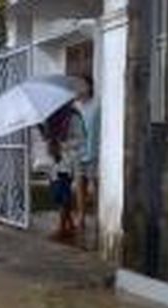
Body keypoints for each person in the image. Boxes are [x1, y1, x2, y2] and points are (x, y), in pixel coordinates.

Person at [41, 102, 86, 239]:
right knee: (57, 193)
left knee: (63, 193)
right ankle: (70, 223)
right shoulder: (50, 118)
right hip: (54, 162)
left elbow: (81, 139)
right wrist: (47, 138)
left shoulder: (73, 117)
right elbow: (48, 137)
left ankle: (62, 228)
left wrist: (61, 144)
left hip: (67, 161)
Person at [75, 76, 100, 232]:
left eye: (82, 86)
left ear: (90, 87)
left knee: (95, 185)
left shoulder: (97, 106)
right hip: (78, 152)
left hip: (93, 152)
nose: (79, 89)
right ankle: (81, 217)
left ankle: (98, 216)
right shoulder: (76, 107)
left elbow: (100, 130)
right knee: (79, 186)